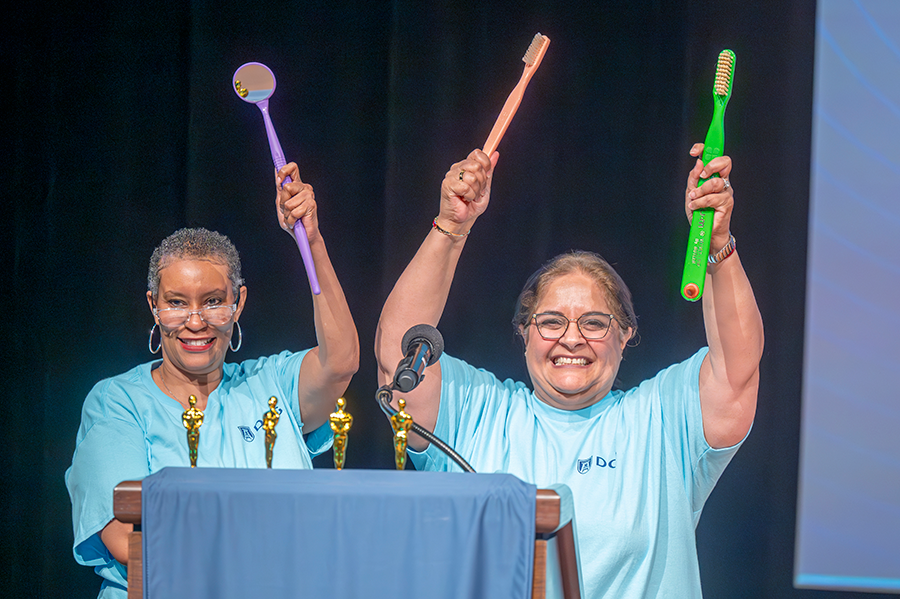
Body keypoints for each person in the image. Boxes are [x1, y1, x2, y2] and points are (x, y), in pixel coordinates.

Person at [374, 145, 763, 598]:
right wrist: (451, 228)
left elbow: (738, 370)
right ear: (524, 332)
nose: (571, 339)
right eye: (551, 321)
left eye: (595, 323)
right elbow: (398, 354)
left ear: (626, 335)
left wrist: (717, 246)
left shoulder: (660, 420)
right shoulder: (475, 410)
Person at [66, 163, 359, 598]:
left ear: (238, 304)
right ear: (153, 306)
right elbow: (126, 540)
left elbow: (340, 363)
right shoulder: (118, 401)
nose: (196, 322)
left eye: (214, 302)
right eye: (177, 303)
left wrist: (310, 239)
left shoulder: (267, 384)